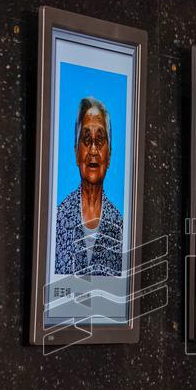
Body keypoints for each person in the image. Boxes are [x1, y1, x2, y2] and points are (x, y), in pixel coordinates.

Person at [54, 97, 123, 277]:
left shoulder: (120, 225)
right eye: (86, 139)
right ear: (77, 152)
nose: (93, 150)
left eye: (100, 140)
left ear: (109, 156)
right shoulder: (57, 219)